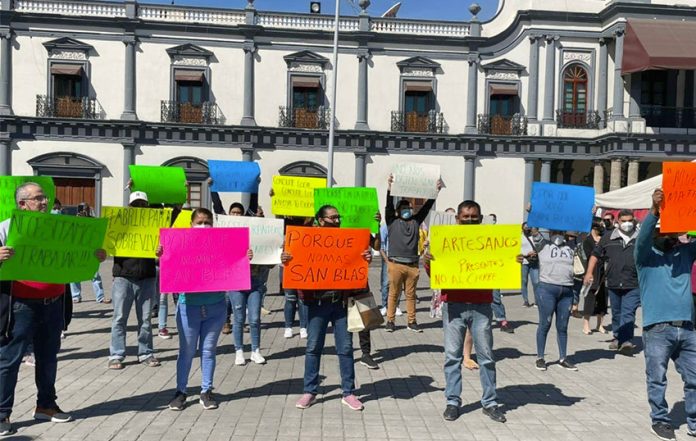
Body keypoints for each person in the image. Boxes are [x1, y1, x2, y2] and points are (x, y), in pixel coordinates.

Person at [0, 182, 106, 436]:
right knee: (9, 361)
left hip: (53, 303)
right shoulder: (6, 227)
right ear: (22, 204)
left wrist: (96, 256)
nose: (45, 202)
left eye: (45, 197)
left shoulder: (62, 228)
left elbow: (80, 254)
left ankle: (46, 405)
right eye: (38, 198)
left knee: (48, 358)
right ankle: (2, 414)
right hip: (21, 305)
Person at [424, 200, 506, 423]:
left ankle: (490, 403)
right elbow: (435, 275)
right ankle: (452, 402)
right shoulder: (447, 240)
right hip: (455, 305)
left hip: (481, 305)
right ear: (457, 219)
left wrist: (513, 261)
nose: (470, 220)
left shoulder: (490, 242)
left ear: (480, 219)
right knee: (452, 357)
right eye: (466, 217)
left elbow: (503, 266)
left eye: (474, 217)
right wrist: (428, 261)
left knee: (486, 356)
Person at [287, 205, 372, 411]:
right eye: (332, 218)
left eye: (338, 217)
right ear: (320, 220)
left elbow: (359, 262)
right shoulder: (307, 240)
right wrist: (287, 259)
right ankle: (310, 391)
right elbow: (293, 260)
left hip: (341, 303)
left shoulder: (347, 240)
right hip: (317, 304)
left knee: (345, 349)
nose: (337, 221)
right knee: (313, 348)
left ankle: (348, 392)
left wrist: (365, 258)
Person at [162, 208, 248, 411]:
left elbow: (234, 262)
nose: (203, 225)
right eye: (199, 221)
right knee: (187, 351)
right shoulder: (180, 244)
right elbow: (169, 264)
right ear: (191, 224)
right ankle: (181, 392)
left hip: (216, 305)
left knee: (209, 350)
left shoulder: (220, 244)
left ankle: (206, 391)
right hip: (189, 306)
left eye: (207, 221)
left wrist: (245, 255)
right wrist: (162, 253)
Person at [635, 189, 696, 441]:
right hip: (658, 329)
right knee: (657, 379)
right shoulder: (645, 258)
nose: (668, 236)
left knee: (694, 378)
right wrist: (654, 210)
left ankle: (694, 421)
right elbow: (643, 238)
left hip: (688, 328)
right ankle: (660, 420)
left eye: (671, 231)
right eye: (663, 231)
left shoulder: (685, 255)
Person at [108, 191, 160, 370]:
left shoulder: (154, 225)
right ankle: (116, 355)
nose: (139, 207)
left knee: (145, 319)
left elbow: (173, 217)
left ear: (147, 206)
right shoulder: (120, 223)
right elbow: (108, 237)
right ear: (129, 206)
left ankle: (146, 353)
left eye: (142, 204)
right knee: (119, 318)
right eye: (135, 204)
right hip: (123, 277)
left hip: (147, 277)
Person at [384, 174, 441, 332]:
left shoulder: (416, 221)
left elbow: (427, 207)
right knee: (393, 294)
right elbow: (388, 206)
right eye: (404, 208)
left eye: (409, 208)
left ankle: (412, 321)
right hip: (395, 264)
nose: (407, 210)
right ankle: (390, 321)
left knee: (411, 295)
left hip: (413, 265)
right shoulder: (392, 221)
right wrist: (389, 189)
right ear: (398, 210)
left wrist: (436, 191)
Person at [584, 209, 640, 355]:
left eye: (630, 220)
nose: (627, 223)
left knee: (628, 312)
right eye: (624, 221)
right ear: (617, 222)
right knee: (616, 312)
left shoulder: (640, 238)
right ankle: (617, 337)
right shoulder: (608, 238)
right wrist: (589, 273)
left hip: (633, 283)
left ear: (634, 220)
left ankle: (626, 340)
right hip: (613, 282)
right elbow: (595, 255)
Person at [532, 230, 578, 371]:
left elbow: (583, 231)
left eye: (560, 232)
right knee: (545, 323)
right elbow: (533, 230)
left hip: (567, 290)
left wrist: (590, 214)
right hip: (547, 289)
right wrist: (532, 212)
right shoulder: (543, 245)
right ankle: (540, 357)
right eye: (555, 231)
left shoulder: (571, 245)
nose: (558, 234)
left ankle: (563, 358)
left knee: (563, 326)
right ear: (550, 232)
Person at [70, 202, 107, 304]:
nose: (84, 210)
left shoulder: (93, 220)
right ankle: (76, 296)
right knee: (74, 275)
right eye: (82, 208)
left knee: (95, 274)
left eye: (86, 208)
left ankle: (100, 297)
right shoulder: (74, 220)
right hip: (77, 250)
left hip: (91, 251)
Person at [578, 218, 608, 335]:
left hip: (603, 272)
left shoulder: (603, 238)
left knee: (603, 299)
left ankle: (600, 324)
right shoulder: (587, 240)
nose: (602, 227)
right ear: (594, 226)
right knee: (590, 297)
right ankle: (586, 324)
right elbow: (589, 256)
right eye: (600, 224)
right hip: (591, 272)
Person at [488, 213, 513, 333]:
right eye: (490, 219)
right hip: (480, 271)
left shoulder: (499, 235)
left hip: (494, 271)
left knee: (495, 297)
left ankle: (502, 321)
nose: (492, 221)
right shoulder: (479, 234)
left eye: (494, 219)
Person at [520, 222, 541, 307]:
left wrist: (535, 252)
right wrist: (526, 254)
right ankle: (525, 301)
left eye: (528, 227)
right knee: (524, 281)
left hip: (534, 262)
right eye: (525, 227)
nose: (527, 229)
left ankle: (537, 301)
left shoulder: (535, 237)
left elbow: (540, 246)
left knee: (536, 282)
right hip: (524, 261)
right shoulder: (520, 237)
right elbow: (517, 249)